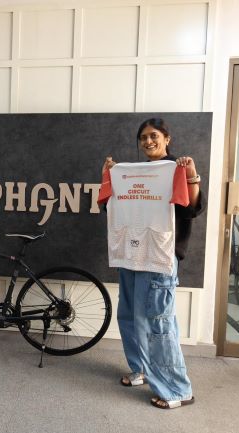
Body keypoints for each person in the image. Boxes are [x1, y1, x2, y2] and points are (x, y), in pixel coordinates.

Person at [101, 118, 205, 409]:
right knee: (128, 316)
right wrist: (110, 176)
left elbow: (191, 209)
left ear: (166, 138)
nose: (148, 141)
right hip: (130, 254)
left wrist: (192, 176)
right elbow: (109, 206)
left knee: (156, 322)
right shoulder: (132, 174)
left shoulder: (176, 168)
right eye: (143, 137)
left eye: (154, 135)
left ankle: (177, 389)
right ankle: (141, 369)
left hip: (159, 256)